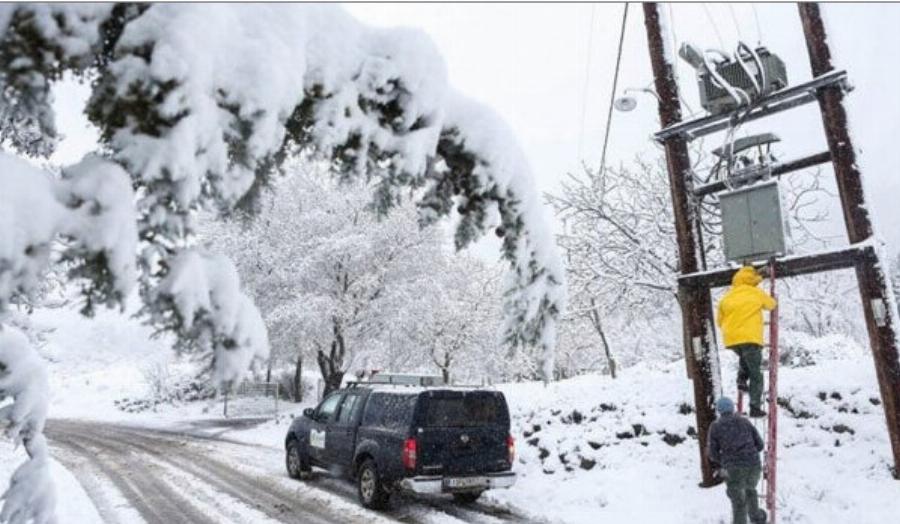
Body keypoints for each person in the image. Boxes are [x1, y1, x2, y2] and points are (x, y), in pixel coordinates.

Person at [716, 265, 777, 417]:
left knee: (745, 358)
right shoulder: (755, 292)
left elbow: (719, 321)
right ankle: (755, 407)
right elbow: (771, 305)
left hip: (731, 339)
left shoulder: (727, 296)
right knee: (756, 373)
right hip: (750, 337)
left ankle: (741, 380)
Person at [708, 396, 767, 524]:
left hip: (733, 468)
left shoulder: (716, 426)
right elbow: (760, 444)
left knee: (739, 503)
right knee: (750, 490)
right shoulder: (745, 421)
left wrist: (724, 460)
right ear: (732, 408)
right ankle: (757, 517)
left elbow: (712, 453)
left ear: (719, 410)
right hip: (753, 465)